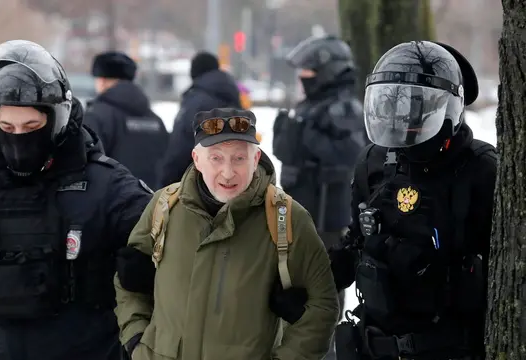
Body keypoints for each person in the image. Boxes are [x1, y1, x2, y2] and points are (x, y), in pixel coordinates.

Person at [0, 40, 153, 360]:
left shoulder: (109, 188)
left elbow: (170, 264)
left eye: (32, 126)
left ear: (56, 118)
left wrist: (143, 272)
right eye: (7, 127)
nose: (19, 137)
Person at [115, 107, 339, 360]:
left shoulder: (287, 218)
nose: (228, 172)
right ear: (197, 160)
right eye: (216, 158)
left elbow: (322, 306)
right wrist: (136, 340)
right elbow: (128, 283)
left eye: (239, 158)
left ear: (255, 160)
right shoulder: (164, 207)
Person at [329, 41, 497, 360]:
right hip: (373, 344)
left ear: (446, 109)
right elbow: (357, 241)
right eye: (392, 105)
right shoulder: (372, 163)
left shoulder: (479, 169)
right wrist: (316, 279)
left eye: (416, 107)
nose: (402, 119)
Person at [272, 36, 365, 357]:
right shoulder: (309, 107)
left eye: (309, 76)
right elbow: (286, 153)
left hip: (326, 216)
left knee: (323, 282)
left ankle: (324, 343)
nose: (303, 82)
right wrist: (287, 131)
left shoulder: (344, 108)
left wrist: (306, 135)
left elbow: (350, 155)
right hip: (298, 210)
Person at [83, 51, 168, 189]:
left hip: (111, 203)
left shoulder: (97, 115)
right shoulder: (155, 120)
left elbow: (85, 163)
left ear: (102, 81)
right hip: (151, 203)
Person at [157, 52, 242, 188]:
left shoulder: (197, 102)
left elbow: (181, 145)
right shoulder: (232, 99)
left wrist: (166, 183)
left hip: (195, 187)